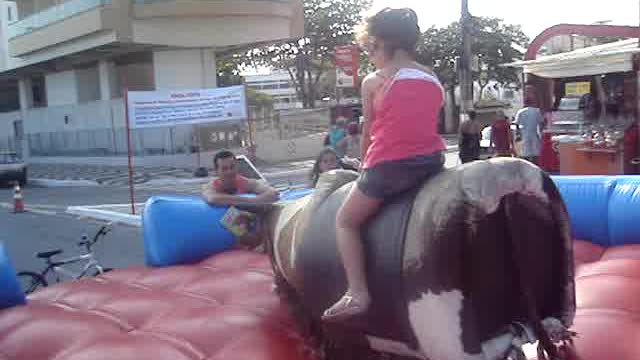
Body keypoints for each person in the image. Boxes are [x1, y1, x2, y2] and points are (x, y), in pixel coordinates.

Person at [322, 7, 446, 321]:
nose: (370, 56)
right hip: (432, 161)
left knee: (346, 221)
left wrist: (364, 165)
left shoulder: (375, 81)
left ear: (380, 43)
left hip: (390, 166)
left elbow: (369, 131)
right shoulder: (431, 76)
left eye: (370, 49)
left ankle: (357, 292)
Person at [202, 150, 279, 206]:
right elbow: (212, 199)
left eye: (232, 167)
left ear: (237, 167)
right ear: (216, 171)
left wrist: (252, 202)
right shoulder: (210, 186)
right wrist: (252, 201)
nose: (229, 171)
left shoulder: (246, 183)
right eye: (224, 169)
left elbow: (274, 193)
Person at [515, 100, 545, 164]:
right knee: (536, 151)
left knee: (526, 152)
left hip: (524, 133)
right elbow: (541, 122)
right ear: (532, 103)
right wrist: (541, 132)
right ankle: (535, 165)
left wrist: (518, 134)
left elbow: (517, 123)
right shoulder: (537, 111)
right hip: (534, 132)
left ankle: (527, 165)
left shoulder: (520, 112)